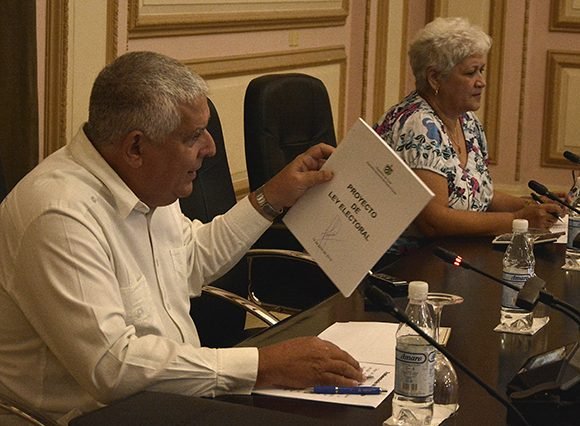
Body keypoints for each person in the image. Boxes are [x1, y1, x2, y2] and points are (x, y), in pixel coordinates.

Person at [0, 51, 364, 424]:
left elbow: (191, 259)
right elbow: (112, 367)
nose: (211, 147)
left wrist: (270, 197)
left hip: (168, 399)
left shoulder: (145, 183)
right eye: (193, 136)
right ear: (136, 147)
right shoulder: (59, 214)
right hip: (94, 416)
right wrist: (263, 364)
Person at [373, 17, 563, 239]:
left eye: (481, 70)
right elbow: (433, 222)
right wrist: (517, 220)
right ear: (435, 78)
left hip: (454, 250)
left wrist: (538, 206)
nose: (481, 81)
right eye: (471, 72)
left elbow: (480, 195)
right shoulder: (417, 126)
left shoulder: (466, 120)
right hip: (408, 261)